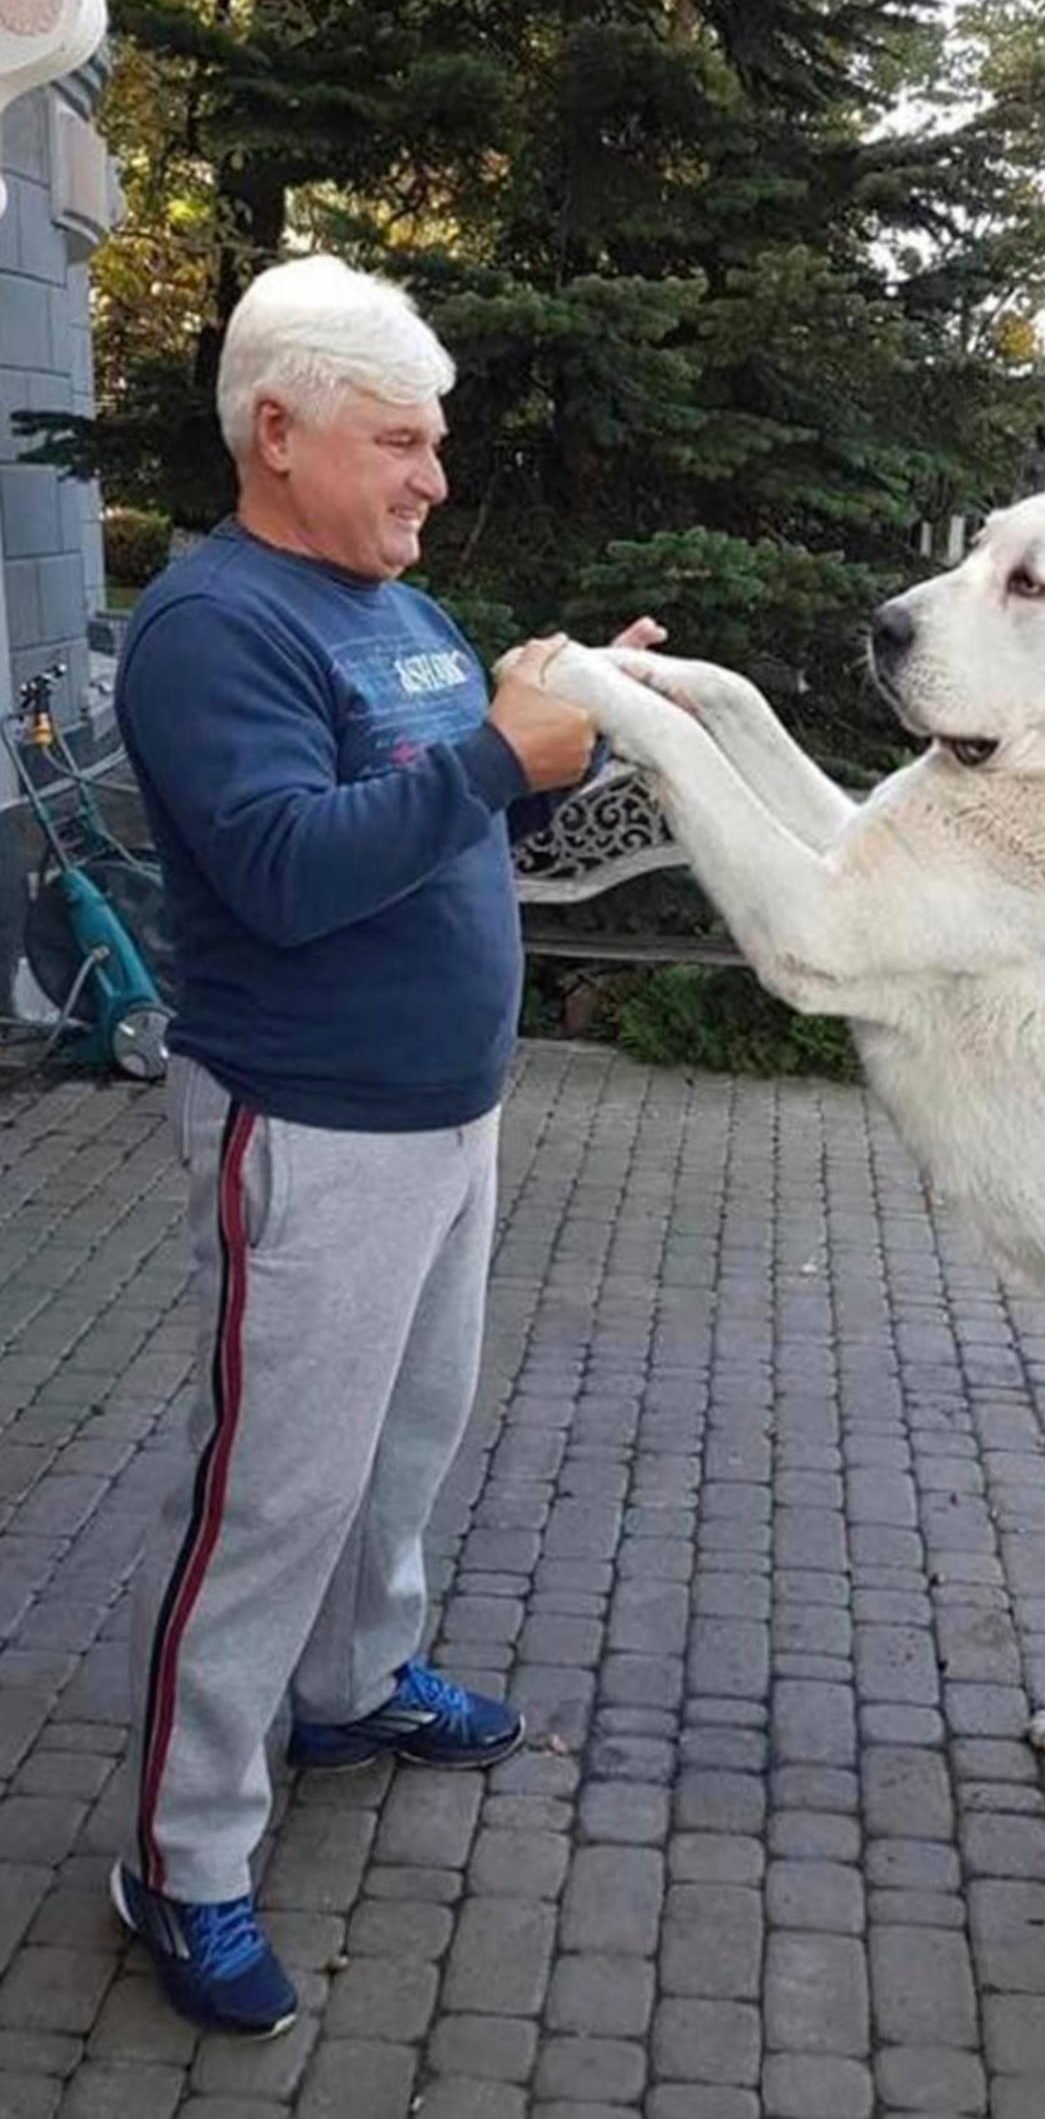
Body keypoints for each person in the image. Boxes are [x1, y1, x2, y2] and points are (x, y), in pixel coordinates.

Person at [107, 253, 660, 2037]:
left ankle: (352, 1686)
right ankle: (183, 1857)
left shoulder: (388, 606)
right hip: (313, 1136)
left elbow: (433, 805)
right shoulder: (215, 627)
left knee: (409, 1441)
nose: (433, 476)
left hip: (443, 1118)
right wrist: (499, 758)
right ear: (280, 433)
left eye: (437, 443)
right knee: (273, 1498)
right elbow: (281, 868)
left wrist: (563, 738)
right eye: (402, 443)